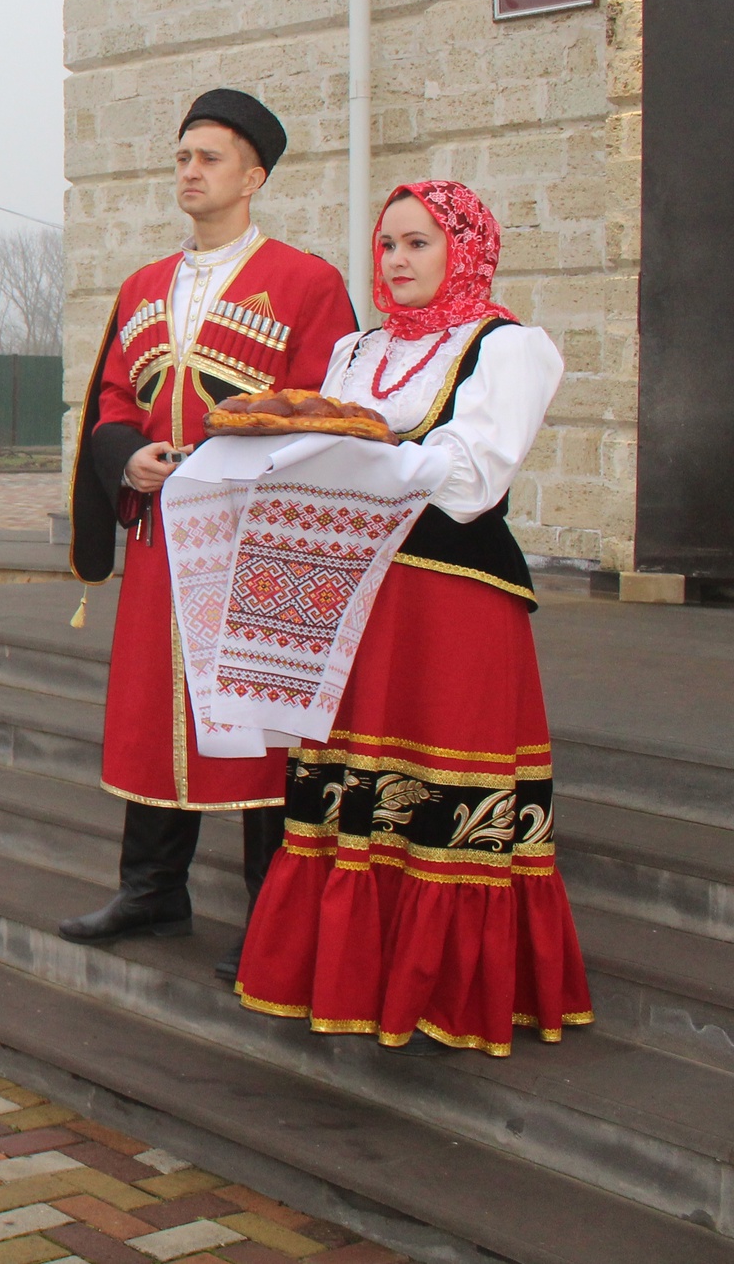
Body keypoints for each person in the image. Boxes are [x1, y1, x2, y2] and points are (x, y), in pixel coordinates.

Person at [236, 181, 589, 1056]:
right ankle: (348, 972)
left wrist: (355, 454)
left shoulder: (509, 348)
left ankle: (444, 988)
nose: (397, 260)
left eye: (419, 243)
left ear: (463, 249)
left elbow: (470, 483)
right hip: (361, 594)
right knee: (353, 783)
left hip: (454, 599)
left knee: (445, 784)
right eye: (387, 244)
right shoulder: (357, 352)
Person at [59, 90, 358, 980]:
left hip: (255, 544)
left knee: (262, 717)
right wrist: (128, 457)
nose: (190, 171)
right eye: (183, 156)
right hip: (161, 539)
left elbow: (325, 411)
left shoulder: (306, 282)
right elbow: (114, 397)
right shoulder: (143, 286)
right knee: (160, 709)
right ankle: (153, 887)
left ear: (254, 176)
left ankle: (273, 911)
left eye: (210, 157)